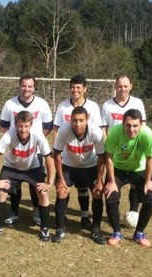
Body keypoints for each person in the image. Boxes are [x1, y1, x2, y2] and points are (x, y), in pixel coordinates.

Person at [0, 111, 56, 241]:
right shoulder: (9, 134)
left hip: (32, 167)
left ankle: (45, 229)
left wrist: (49, 182)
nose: (23, 130)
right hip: (12, 167)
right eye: (20, 126)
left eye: (26, 126)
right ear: (15, 125)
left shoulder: (38, 135)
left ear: (31, 125)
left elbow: (49, 157)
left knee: (43, 193)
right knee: (1, 192)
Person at [0, 75, 53, 226]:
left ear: (34, 88)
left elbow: (48, 126)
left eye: (30, 86)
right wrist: (15, 142)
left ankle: (36, 211)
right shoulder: (10, 104)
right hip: (15, 150)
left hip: (35, 152)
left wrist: (35, 142)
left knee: (36, 183)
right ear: (19, 86)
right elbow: (3, 125)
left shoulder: (42, 104)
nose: (26, 89)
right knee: (14, 183)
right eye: (24, 86)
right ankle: (14, 211)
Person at [53, 74, 103, 230]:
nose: (75, 90)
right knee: (63, 189)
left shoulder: (93, 107)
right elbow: (57, 131)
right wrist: (59, 149)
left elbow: (96, 132)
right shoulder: (62, 107)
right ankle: (62, 222)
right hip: (69, 156)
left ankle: (85, 218)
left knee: (86, 189)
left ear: (85, 89)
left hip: (88, 156)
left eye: (78, 88)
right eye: (72, 87)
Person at [52, 106, 107, 244]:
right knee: (62, 191)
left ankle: (95, 229)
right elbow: (57, 154)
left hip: (90, 166)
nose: (77, 124)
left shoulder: (96, 132)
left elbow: (101, 157)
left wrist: (99, 180)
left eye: (81, 120)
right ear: (70, 120)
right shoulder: (64, 130)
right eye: (75, 120)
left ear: (87, 119)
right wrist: (59, 178)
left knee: (97, 192)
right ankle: (61, 228)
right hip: (69, 166)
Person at [103, 109, 152, 247]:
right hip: (118, 169)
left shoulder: (148, 134)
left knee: (150, 196)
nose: (131, 129)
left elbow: (150, 158)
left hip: (139, 170)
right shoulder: (115, 132)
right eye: (128, 125)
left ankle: (139, 233)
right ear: (123, 124)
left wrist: (148, 181)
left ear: (140, 125)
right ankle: (116, 232)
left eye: (135, 126)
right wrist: (111, 181)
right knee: (111, 195)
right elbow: (108, 157)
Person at [100, 75, 147, 229]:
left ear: (131, 86)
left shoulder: (137, 103)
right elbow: (104, 129)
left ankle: (134, 212)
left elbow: (142, 128)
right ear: (115, 87)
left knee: (135, 185)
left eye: (125, 86)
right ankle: (114, 214)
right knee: (113, 184)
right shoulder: (107, 105)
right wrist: (109, 149)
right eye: (120, 86)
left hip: (134, 152)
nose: (122, 89)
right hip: (115, 153)